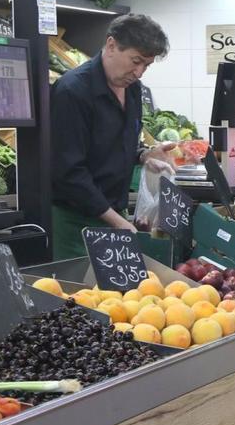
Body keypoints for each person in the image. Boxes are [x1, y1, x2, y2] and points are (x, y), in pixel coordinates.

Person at [50, 14, 172, 259]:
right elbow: (69, 171)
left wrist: (144, 155)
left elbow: (117, 143)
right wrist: (116, 220)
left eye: (146, 65)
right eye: (135, 61)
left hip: (115, 216)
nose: (139, 73)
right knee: (78, 295)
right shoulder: (72, 92)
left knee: (116, 297)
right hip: (75, 224)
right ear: (111, 45)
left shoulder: (133, 90)